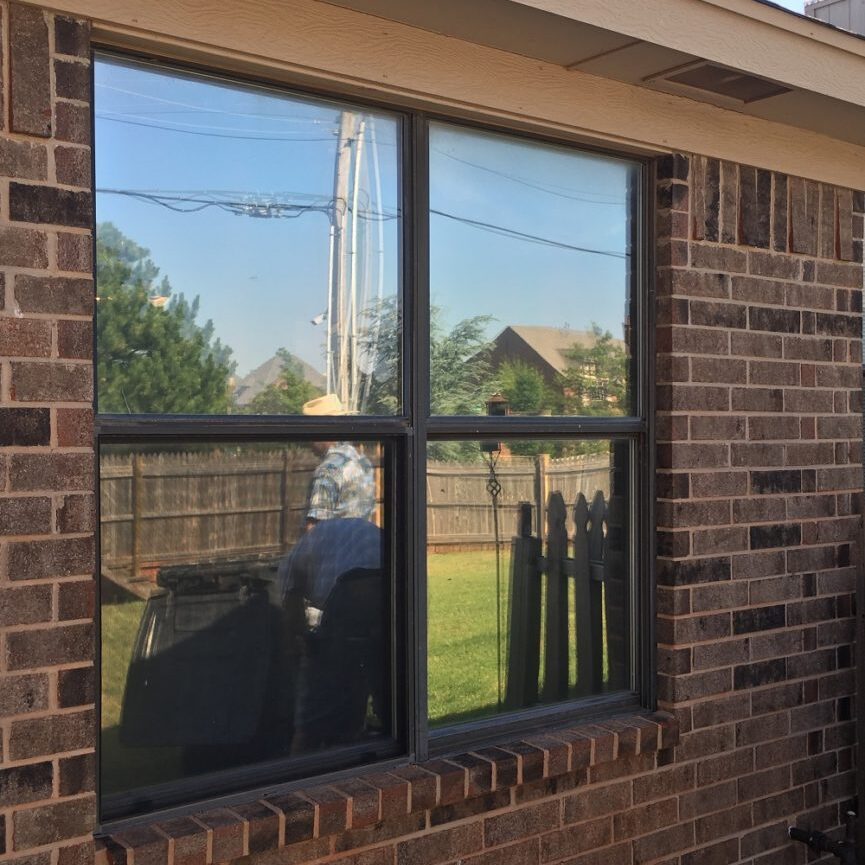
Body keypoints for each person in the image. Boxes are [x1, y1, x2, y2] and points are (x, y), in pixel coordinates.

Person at [301, 394, 375, 528]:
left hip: (335, 547)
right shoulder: (362, 462)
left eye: (309, 432)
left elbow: (315, 530)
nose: (308, 441)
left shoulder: (328, 470)